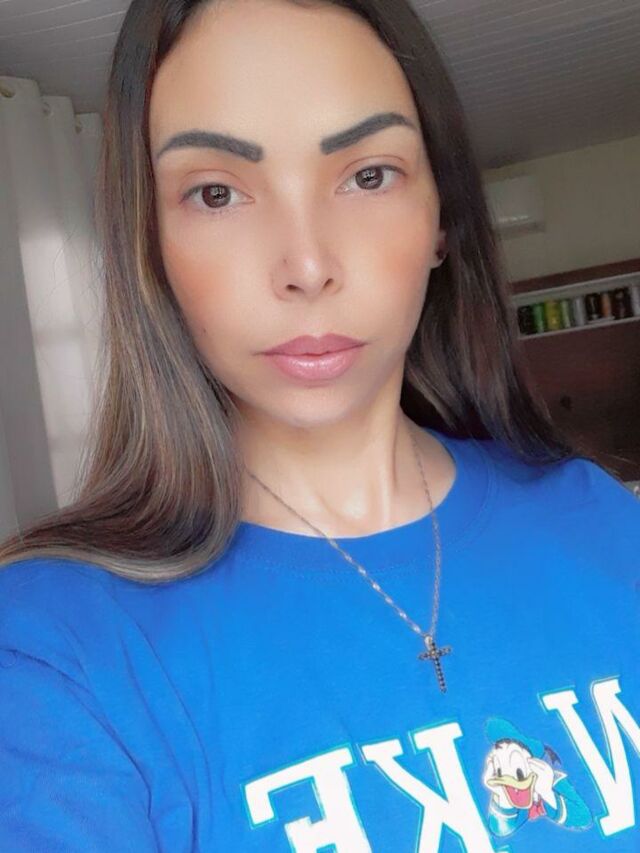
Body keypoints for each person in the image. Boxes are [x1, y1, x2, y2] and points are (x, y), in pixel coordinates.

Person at [0, 0, 638, 850]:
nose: (306, 266)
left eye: (368, 175)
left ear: (441, 219)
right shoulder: (50, 648)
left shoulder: (598, 517)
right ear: (149, 243)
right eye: (217, 192)